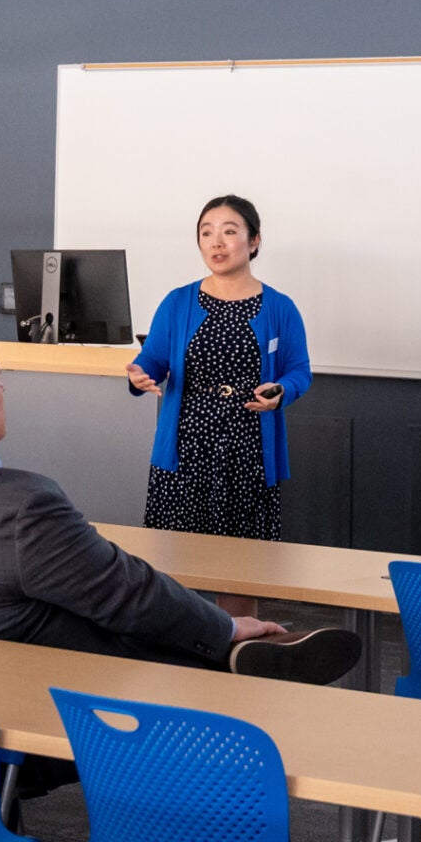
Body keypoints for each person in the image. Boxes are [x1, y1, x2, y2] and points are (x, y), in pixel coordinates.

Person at [0, 317, 358, 683]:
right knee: (157, 633)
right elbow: (126, 593)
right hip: (48, 706)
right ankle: (239, 654)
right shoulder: (22, 506)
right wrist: (223, 626)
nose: (3, 391)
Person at [126, 194, 310, 617]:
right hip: (184, 449)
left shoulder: (279, 307)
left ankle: (239, 651)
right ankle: (175, 655)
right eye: (207, 233)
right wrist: (139, 374)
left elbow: (300, 371)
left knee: (240, 569)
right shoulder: (178, 302)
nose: (217, 242)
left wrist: (282, 391)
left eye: (230, 232)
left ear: (254, 241)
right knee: (172, 568)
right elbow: (151, 361)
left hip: (248, 451)